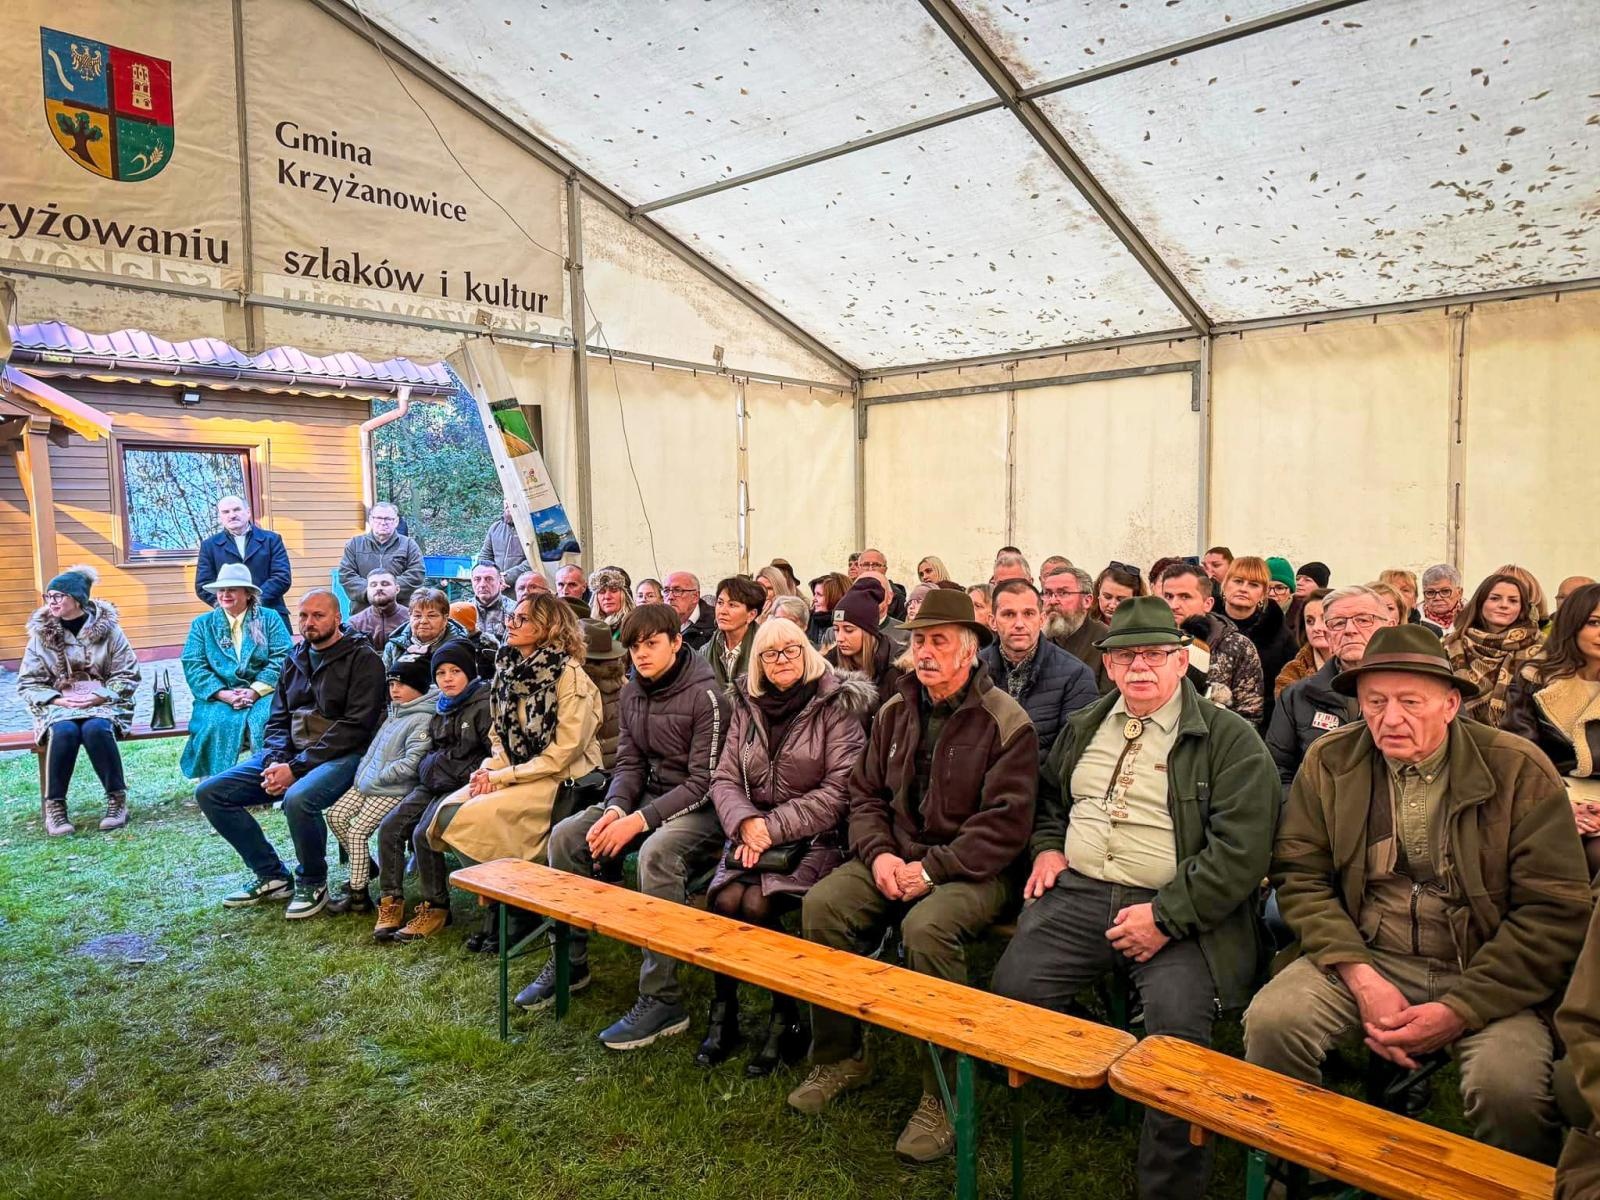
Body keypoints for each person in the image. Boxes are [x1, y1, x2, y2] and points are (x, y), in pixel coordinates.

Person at [1243, 625, 1591, 1164]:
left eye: (1411, 702)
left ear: (1451, 704)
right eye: (1375, 702)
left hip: (1484, 968)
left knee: (1509, 1090)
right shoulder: (1332, 760)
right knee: (1272, 1023)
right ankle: (1295, 1169)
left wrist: (1460, 1009)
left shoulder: (1518, 769)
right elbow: (1300, 875)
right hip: (1366, 952)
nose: (1390, 718)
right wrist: (1360, 976)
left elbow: (1553, 911)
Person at [994, 596, 1277, 1200]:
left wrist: (1166, 917)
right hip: (1080, 892)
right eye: (1126, 657)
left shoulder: (1230, 739)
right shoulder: (1086, 724)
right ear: (1109, 665)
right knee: (1013, 999)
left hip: (1179, 906)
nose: (1139, 667)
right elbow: (1051, 800)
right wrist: (1047, 848)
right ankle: (1099, 1067)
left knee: (1176, 1042)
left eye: (1153, 654)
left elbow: (1243, 851)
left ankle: (1170, 1186)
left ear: (1180, 660)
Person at [790, 589, 1035, 1164]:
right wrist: (879, 856)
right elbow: (865, 795)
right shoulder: (896, 709)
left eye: (938, 641)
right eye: (919, 640)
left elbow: (1005, 826)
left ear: (969, 651)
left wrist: (932, 869)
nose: (924, 651)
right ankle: (841, 1054)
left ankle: (942, 1092)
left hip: (975, 869)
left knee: (926, 930)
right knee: (823, 906)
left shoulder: (1006, 721)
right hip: (895, 857)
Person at [525, 604, 728, 1048]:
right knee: (567, 836)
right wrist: (616, 810)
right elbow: (629, 764)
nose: (642, 654)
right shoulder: (634, 691)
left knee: (657, 854)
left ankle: (662, 999)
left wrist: (638, 821)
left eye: (652, 644)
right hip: (647, 797)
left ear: (677, 642)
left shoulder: (708, 696)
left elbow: (705, 783)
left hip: (704, 810)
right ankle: (569, 961)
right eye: (635, 647)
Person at [696, 620, 873, 1072]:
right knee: (726, 900)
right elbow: (724, 778)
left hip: (816, 837)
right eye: (770, 654)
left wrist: (770, 828)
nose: (782, 661)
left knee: (758, 902)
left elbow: (839, 791)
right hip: (751, 833)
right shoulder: (747, 704)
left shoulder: (835, 705)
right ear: (757, 662)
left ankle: (785, 1015)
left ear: (807, 651)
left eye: (791, 649)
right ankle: (725, 1011)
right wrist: (746, 822)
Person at [405, 595, 604, 942]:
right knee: (446, 813)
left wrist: (502, 777)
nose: (511, 623)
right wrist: (488, 771)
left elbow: (562, 754)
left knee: (471, 818)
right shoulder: (508, 668)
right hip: (514, 769)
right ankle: (505, 898)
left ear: (547, 627)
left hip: (562, 778)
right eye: (512, 617)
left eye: (522, 619)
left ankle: (515, 906)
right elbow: (499, 736)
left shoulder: (570, 676)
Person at [196, 589, 387, 917]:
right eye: (303, 616)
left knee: (298, 799)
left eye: (318, 615)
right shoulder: (295, 658)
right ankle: (271, 876)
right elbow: (278, 718)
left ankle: (313, 881)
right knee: (211, 792)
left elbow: (355, 726)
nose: (309, 622)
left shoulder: (363, 658)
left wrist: (295, 770)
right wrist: (275, 761)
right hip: (293, 753)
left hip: (345, 755)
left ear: (338, 618)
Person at [372, 640, 492, 941]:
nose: (447, 679)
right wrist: (431, 767)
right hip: (434, 782)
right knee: (390, 828)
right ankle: (391, 900)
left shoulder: (483, 705)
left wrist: (451, 771)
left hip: (462, 785)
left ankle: (436, 907)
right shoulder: (441, 706)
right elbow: (434, 748)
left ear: (469, 673)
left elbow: (491, 757)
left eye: (455, 671)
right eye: (440, 673)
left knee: (424, 833)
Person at [20, 565, 140, 836]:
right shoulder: (41, 635)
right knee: (63, 731)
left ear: (77, 599)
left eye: (58, 596)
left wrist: (100, 696)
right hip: (58, 706)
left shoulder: (110, 632)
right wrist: (56, 700)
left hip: (105, 703)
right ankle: (55, 806)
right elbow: (28, 683)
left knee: (96, 728)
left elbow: (128, 674)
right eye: (48, 596)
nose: (51, 602)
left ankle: (117, 800)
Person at [324, 653, 437, 915]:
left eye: (402, 684)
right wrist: (363, 774)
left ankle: (358, 895)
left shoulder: (422, 719)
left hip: (392, 789)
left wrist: (378, 777)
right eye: (391, 684)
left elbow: (412, 764)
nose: (394, 689)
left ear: (418, 686)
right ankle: (366, 866)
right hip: (368, 783)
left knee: (357, 833)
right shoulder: (396, 712)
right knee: (335, 816)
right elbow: (374, 750)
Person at [1504, 582, 1600, 877]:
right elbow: (1520, 757)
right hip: (1551, 796)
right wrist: (1563, 805)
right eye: (1594, 623)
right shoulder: (1534, 678)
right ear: (1572, 624)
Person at [1266, 585, 1394, 802]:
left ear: (1390, 627)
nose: (1349, 630)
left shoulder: (1420, 692)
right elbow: (1277, 771)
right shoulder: (1297, 697)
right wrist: (1305, 815)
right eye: (1338, 623)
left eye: (1363, 620)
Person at [180, 563, 293, 782]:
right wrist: (224, 694)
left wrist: (254, 691)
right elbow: (194, 664)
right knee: (214, 723)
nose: (225, 594)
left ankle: (270, 781)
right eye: (221, 590)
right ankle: (213, 785)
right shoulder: (202, 624)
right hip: (218, 696)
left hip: (265, 693)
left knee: (266, 720)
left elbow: (283, 656)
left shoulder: (269, 618)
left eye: (232, 589)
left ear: (248, 594)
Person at [979, 579, 1098, 774]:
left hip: (1040, 788)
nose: (1019, 624)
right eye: (1009, 614)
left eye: (1028, 614)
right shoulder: (973, 670)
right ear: (992, 621)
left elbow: (1069, 755)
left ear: (1042, 619)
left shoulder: (1076, 676)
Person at [1157, 562, 1264, 728]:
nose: (1174, 605)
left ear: (1208, 603)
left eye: (1185, 597)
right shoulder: (1147, 643)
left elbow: (1250, 716)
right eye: (1168, 596)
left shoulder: (1237, 646)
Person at [1445, 572, 1544, 729]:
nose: (1504, 605)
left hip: (1521, 737)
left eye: (1513, 600)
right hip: (1460, 732)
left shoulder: (1541, 649)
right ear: (1480, 602)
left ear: (1522, 608)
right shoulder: (1450, 645)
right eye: (1495, 598)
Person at [1221, 555, 1297, 727]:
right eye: (1238, 581)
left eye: (1253, 584)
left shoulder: (1280, 636)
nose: (1243, 589)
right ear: (1225, 585)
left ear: (1263, 594)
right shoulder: (1205, 628)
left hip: (1260, 726)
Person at [194, 495, 293, 626]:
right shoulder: (209, 546)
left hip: (271, 613)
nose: (232, 515)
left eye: (237, 509)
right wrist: (231, 606)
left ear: (248, 512)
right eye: (226, 512)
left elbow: (282, 577)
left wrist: (253, 601)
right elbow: (203, 585)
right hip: (230, 619)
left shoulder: (272, 540)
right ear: (220, 517)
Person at [823, 582, 904, 725]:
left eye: (848, 630)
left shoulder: (896, 669)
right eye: (836, 629)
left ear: (868, 631)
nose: (840, 638)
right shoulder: (828, 666)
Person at [337, 503, 425, 611]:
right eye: (378, 518)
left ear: (396, 521)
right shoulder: (354, 544)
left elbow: (416, 575)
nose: (383, 523)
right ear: (371, 520)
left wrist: (388, 590)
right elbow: (346, 575)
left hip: (400, 614)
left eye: (388, 519)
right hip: (362, 613)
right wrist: (371, 591)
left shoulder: (408, 545)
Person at [1042, 564, 1109, 689]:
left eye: (1063, 593)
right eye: (1048, 593)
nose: (1052, 601)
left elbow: (1107, 696)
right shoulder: (1038, 640)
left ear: (1087, 601)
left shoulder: (1105, 640)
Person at [382, 588, 471, 670]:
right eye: (417, 615)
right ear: (410, 616)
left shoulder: (460, 647)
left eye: (431, 616)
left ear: (445, 619)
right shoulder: (393, 646)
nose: (423, 621)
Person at [703, 575, 764, 690]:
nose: (722, 611)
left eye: (732, 605)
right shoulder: (705, 651)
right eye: (720, 603)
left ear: (751, 615)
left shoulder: (765, 648)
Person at [1275, 587, 1332, 695]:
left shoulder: (1361, 664)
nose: (1316, 628)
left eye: (1324, 619)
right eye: (1310, 621)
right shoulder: (1292, 672)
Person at [348, 570, 408, 648]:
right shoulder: (355, 624)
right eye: (373, 585)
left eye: (385, 584)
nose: (379, 588)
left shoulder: (411, 619)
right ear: (367, 590)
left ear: (397, 589)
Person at [477, 501, 530, 588]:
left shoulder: (533, 528)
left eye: (510, 498)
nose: (507, 503)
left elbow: (534, 561)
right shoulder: (495, 528)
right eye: (505, 499)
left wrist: (507, 577)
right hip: (496, 587)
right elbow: (484, 557)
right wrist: (489, 577)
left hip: (524, 588)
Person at [664, 570, 717, 651]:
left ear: (695, 596)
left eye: (677, 590)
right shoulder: (656, 622)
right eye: (666, 591)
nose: (670, 597)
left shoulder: (716, 623)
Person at [469, 563, 514, 643]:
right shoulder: (463, 611)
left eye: (489, 579)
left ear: (500, 582)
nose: (482, 584)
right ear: (472, 582)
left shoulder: (514, 610)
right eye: (477, 579)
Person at [588, 567, 634, 639]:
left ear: (626, 596)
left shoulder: (634, 626)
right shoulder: (587, 627)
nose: (607, 597)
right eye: (602, 591)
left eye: (614, 590)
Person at [807, 572, 849, 648]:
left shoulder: (848, 624)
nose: (814, 599)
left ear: (834, 597)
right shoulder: (809, 620)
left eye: (819, 595)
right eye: (814, 594)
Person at [1421, 563, 1465, 630]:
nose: (1437, 598)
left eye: (1445, 591)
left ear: (1459, 593)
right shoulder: (1412, 620)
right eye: (1430, 592)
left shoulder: (1474, 618)